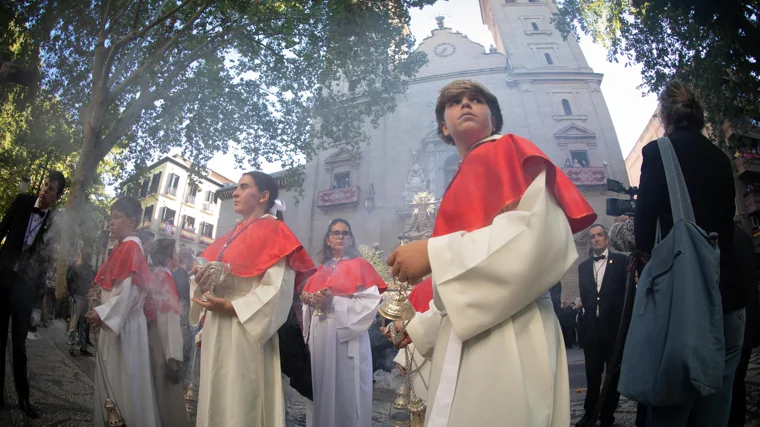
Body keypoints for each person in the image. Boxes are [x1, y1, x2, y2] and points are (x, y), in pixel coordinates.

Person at [384, 80, 597, 426]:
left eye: (476, 100)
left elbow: (540, 238)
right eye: (455, 103)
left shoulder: (511, 152)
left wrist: (433, 252)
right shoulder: (460, 177)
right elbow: (458, 286)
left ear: (494, 120)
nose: (466, 105)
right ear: (443, 127)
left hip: (514, 328)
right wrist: (419, 328)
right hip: (464, 334)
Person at [634, 80, 742, 427]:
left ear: (665, 115)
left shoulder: (657, 153)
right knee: (718, 401)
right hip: (729, 293)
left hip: (684, 299)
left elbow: (643, 233)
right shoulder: (721, 158)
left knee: (673, 403)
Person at [190, 171, 315, 427]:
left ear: (263, 196)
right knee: (216, 394)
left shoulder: (276, 232)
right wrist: (201, 280)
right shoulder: (229, 237)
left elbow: (277, 289)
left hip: (245, 328)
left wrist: (230, 306)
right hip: (217, 326)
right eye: (236, 187)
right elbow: (210, 279)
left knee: (242, 400)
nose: (235, 193)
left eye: (244, 187)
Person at [300, 218, 387, 427]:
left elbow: (370, 303)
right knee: (321, 387)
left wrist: (334, 302)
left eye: (344, 233)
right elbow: (311, 301)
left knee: (347, 390)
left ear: (350, 240)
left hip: (346, 337)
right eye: (335, 233)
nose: (340, 237)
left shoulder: (361, 265)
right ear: (328, 239)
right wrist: (309, 300)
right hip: (321, 335)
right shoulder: (322, 269)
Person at [86, 196, 160, 427]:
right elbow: (113, 288)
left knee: (123, 383)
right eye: (111, 217)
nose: (111, 222)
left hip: (124, 326)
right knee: (114, 381)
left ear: (131, 221)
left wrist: (102, 312)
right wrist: (98, 300)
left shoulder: (131, 246)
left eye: (117, 218)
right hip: (115, 323)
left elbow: (129, 294)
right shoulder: (121, 247)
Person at [0, 171, 66, 418]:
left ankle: (24, 398)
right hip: (3, 278)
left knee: (19, 344)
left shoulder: (55, 222)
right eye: (45, 184)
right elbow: (2, 228)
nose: (44, 190)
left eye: (50, 189)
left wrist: (37, 303)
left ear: (58, 196)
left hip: (25, 289)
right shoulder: (22, 201)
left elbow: (46, 261)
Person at [576, 224, 628, 427]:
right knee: (592, 373)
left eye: (599, 235)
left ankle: (608, 416)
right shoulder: (583, 267)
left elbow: (625, 294)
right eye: (592, 237)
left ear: (606, 239)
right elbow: (585, 294)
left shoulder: (622, 262)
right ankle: (589, 414)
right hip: (592, 329)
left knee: (613, 375)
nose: (595, 239)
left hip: (614, 328)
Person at [147, 238, 187, 426]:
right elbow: (170, 317)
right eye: (175, 253)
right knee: (166, 392)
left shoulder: (155, 274)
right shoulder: (165, 277)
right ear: (168, 258)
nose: (177, 256)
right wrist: (174, 355)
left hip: (152, 333)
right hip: (163, 339)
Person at [727, 222, 759, 427]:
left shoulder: (723, 237)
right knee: (735, 386)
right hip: (747, 325)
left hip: (734, 324)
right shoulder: (742, 235)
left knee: (728, 388)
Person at [66, 247, 95, 357]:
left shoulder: (88, 268)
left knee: (83, 323)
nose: (88, 257)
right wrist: (72, 295)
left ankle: (83, 347)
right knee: (74, 322)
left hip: (85, 297)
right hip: (77, 297)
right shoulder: (74, 267)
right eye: (86, 254)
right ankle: (71, 346)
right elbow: (70, 282)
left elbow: (91, 281)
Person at [173, 246, 194, 382]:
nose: (193, 261)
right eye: (192, 258)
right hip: (182, 318)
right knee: (183, 351)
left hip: (182, 318)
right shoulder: (180, 275)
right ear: (186, 259)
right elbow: (186, 296)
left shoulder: (181, 274)